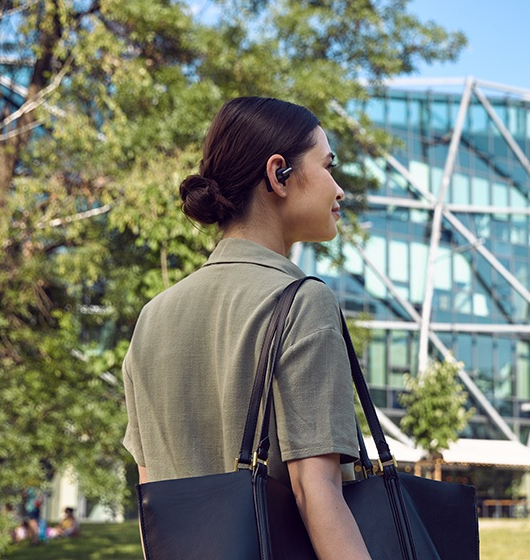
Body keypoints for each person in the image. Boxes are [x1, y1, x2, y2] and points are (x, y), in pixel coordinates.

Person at [122, 97, 371, 559]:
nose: (338, 190)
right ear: (279, 174)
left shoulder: (152, 317)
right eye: (328, 167)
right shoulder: (303, 302)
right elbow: (314, 489)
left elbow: (154, 504)